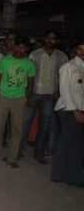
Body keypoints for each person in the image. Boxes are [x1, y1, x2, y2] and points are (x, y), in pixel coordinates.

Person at [0, 37, 36, 168]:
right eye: (19, 46)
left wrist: (27, 98)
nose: (21, 50)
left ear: (27, 49)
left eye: (24, 48)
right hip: (3, 97)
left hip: (19, 99)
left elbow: (30, 83)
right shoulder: (5, 60)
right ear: (14, 47)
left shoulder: (29, 64)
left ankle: (12, 157)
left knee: (17, 129)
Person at [20, 30, 68, 163]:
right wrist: (27, 94)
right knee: (25, 123)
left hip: (50, 95)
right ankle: (18, 150)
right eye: (48, 38)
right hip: (34, 93)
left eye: (53, 39)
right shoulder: (35, 54)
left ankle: (38, 153)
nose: (50, 41)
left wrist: (59, 93)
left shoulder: (62, 56)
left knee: (45, 125)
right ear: (44, 39)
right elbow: (27, 75)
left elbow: (64, 77)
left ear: (57, 41)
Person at [51, 40, 84, 186]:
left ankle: (64, 174)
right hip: (68, 109)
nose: (83, 51)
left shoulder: (81, 67)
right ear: (76, 50)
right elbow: (64, 91)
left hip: (79, 109)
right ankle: (69, 176)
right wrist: (75, 110)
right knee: (70, 143)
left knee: (73, 143)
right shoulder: (68, 67)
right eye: (81, 48)